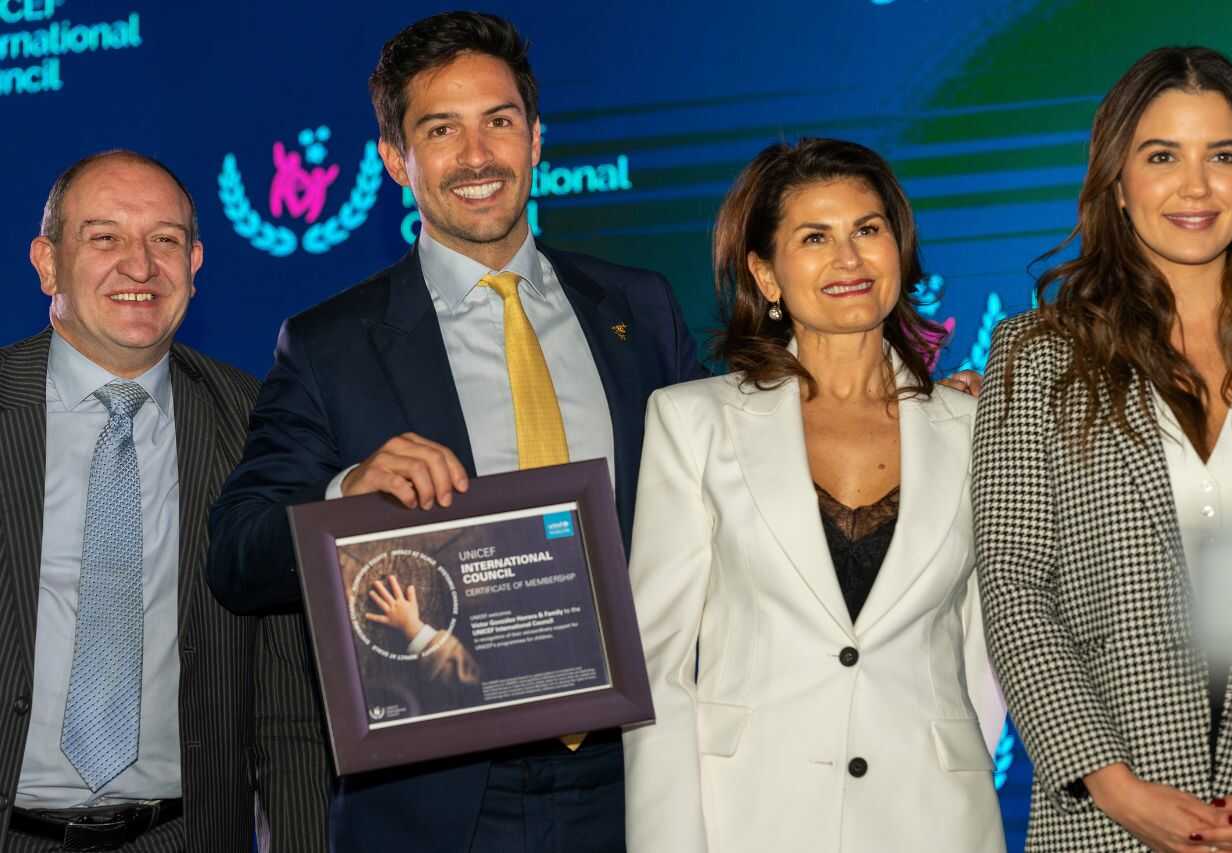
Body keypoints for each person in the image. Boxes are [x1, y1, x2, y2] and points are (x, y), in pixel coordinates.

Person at [205, 11, 704, 853]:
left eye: (498, 121)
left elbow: (726, 487)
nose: (477, 156)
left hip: (636, 774)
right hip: (440, 795)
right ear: (395, 159)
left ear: (536, 139)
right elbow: (237, 553)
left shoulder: (640, 309)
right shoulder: (329, 343)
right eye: (441, 129)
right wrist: (345, 495)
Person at [622, 138, 1007, 853]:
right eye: (814, 238)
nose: (849, 259)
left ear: (900, 251)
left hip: (933, 818)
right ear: (766, 274)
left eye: (868, 229)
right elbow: (657, 666)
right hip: (749, 819)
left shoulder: (978, 428)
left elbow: (995, 644)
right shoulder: (693, 421)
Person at [973, 46, 1232, 852]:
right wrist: (1110, 782)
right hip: (1108, 815)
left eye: (1223, 156)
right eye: (1162, 157)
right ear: (1117, 181)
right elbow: (1014, 587)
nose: (1195, 187)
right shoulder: (1038, 355)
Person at [0, 150, 259, 852]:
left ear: (195, 264)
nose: (139, 266)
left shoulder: (253, 419)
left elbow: (285, 685)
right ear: (47, 263)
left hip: (181, 835)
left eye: (165, 240)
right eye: (104, 237)